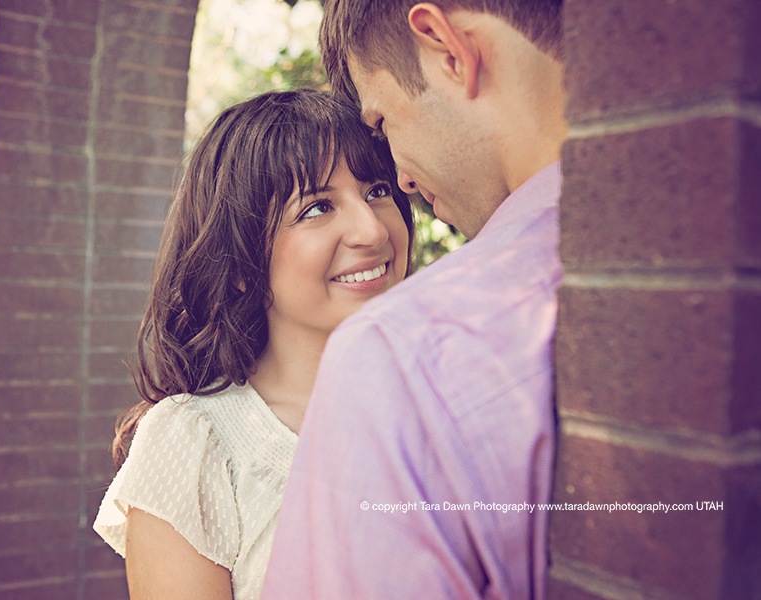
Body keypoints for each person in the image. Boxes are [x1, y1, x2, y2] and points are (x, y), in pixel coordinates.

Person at [262, 1, 567, 599]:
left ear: (447, 49)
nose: (401, 179)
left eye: (382, 124)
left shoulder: (404, 356)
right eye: (317, 207)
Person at [92, 89, 413, 600]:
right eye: (317, 208)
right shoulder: (198, 444)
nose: (372, 230)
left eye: (377, 190)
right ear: (241, 262)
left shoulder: (448, 401)